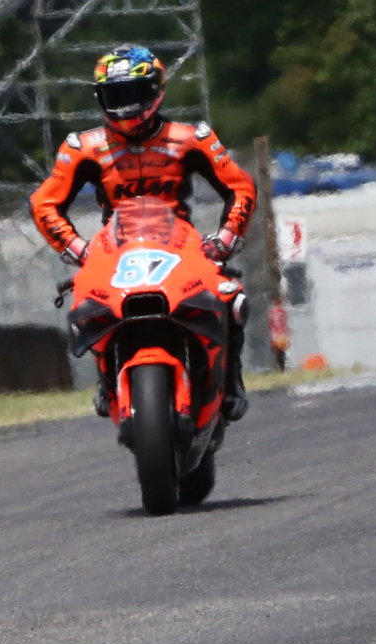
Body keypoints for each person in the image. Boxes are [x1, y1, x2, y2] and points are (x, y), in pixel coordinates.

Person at [29, 43, 258, 423]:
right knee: (85, 302)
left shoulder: (193, 138)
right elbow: (44, 202)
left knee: (231, 297)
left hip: (181, 244)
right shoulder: (81, 148)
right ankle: (106, 379)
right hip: (113, 248)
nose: (124, 106)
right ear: (100, 97)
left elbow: (240, 185)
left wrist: (226, 238)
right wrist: (78, 248)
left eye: (132, 93)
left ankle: (231, 381)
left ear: (155, 90)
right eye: (114, 95)